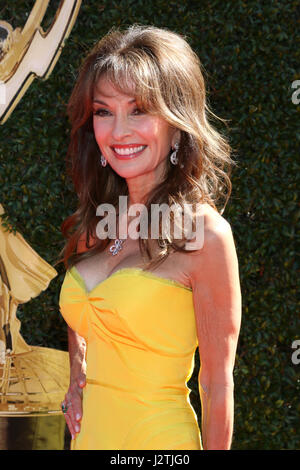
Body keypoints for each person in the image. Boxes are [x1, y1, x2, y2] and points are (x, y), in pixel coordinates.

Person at [57, 25, 242, 450]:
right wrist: (77, 373)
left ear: (177, 125)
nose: (118, 132)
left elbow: (216, 384)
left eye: (138, 110)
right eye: (103, 112)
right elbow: (86, 306)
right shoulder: (99, 223)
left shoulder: (205, 235)